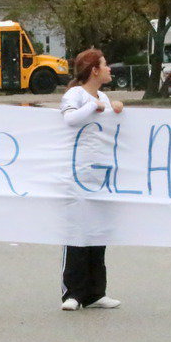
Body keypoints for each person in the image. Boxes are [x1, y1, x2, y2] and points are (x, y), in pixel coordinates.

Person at [59, 48, 123, 312]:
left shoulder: (104, 96)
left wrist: (116, 108)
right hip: (77, 176)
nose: (109, 69)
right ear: (94, 70)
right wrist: (91, 106)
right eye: (105, 65)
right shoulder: (76, 94)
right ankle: (73, 293)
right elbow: (70, 119)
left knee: (98, 232)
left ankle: (96, 292)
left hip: (100, 177)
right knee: (77, 232)